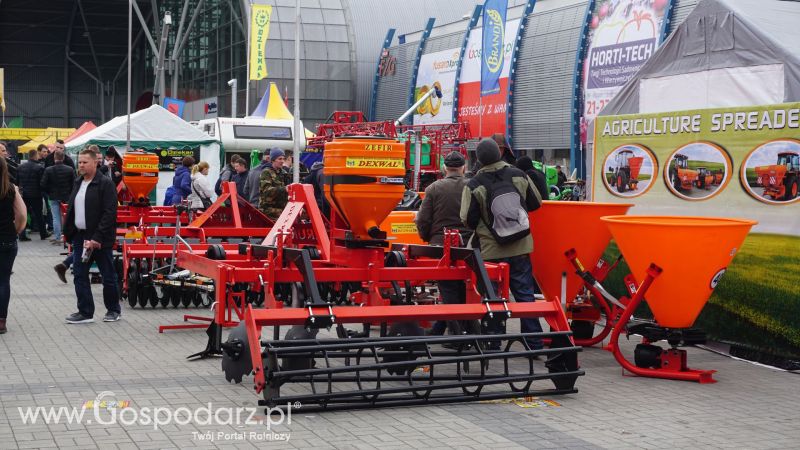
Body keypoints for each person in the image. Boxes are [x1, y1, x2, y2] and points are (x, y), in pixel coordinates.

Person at [460, 138, 543, 350]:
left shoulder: (474, 184)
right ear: (499, 153)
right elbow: (536, 203)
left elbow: (467, 219)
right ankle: (534, 344)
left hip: (491, 252)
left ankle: (493, 343)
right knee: (525, 295)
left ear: (478, 159)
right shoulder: (518, 175)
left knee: (493, 297)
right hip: (521, 246)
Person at [415, 151, 476, 338]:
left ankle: (456, 333)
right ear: (463, 167)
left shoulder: (434, 188)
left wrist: (426, 238)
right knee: (462, 287)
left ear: (444, 168)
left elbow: (423, 220)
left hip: (441, 245)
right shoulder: (472, 186)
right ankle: (451, 328)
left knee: (448, 287)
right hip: (469, 245)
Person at [62, 149, 121, 324]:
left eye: (85, 162)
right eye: (79, 162)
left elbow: (109, 213)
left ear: (95, 163)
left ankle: (113, 310)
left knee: (108, 275)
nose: (81, 165)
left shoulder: (105, 184)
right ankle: (85, 312)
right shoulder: (78, 182)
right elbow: (72, 208)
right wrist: (69, 232)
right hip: (81, 237)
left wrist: (97, 238)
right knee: (80, 274)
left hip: (100, 239)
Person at [0, 157, 28, 334]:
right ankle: (1, 321)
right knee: (3, 281)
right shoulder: (10, 189)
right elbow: (22, 216)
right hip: (7, 240)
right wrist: (16, 230)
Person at [41, 150, 76, 244]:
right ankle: (67, 236)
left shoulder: (48, 170)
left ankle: (57, 237)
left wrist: (49, 192)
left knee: (56, 217)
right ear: (63, 158)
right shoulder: (70, 169)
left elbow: (43, 184)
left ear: (54, 158)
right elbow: (74, 184)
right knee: (67, 217)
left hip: (54, 196)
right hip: (67, 197)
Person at [17, 149, 50, 241]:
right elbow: (42, 183)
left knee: (23, 214)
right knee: (39, 215)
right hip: (36, 195)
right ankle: (43, 234)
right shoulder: (39, 167)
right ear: (35, 156)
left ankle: (22, 235)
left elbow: (17, 181)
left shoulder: (20, 167)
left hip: (24, 194)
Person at [259, 148, 289, 219]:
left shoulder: (283, 173)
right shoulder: (266, 172)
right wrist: (284, 189)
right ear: (273, 160)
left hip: (281, 208)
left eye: (283, 159)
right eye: (279, 159)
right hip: (269, 210)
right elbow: (266, 191)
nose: (282, 161)